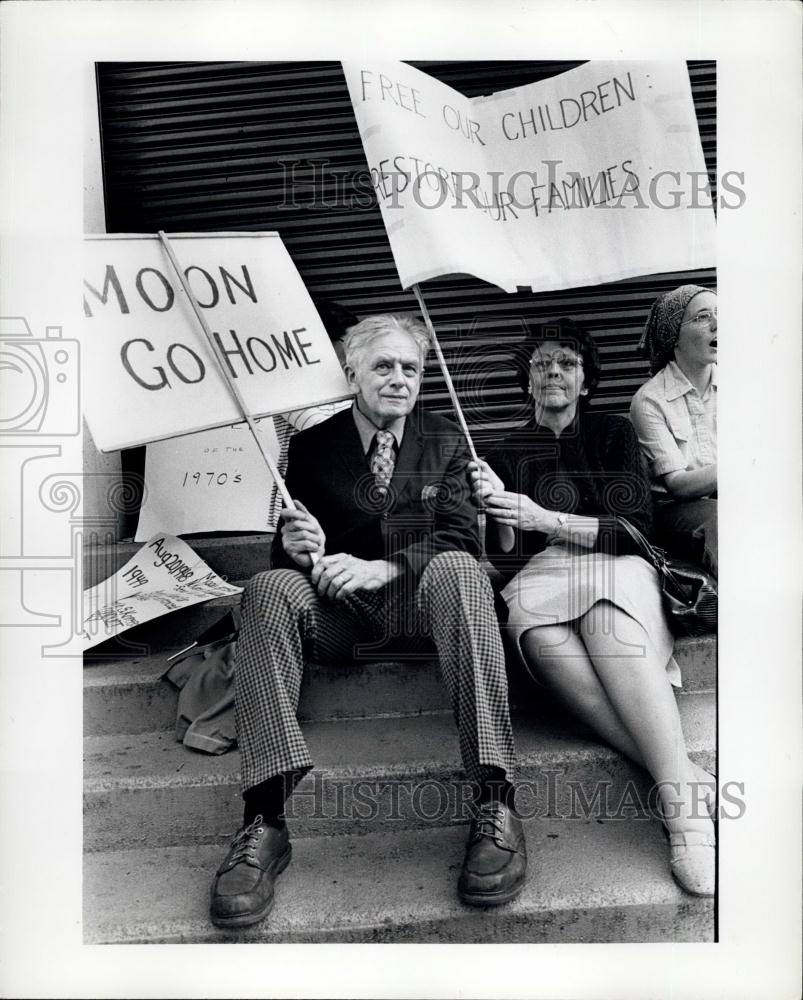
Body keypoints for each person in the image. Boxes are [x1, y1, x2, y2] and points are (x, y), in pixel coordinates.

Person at [209, 313, 527, 928]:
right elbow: (291, 561)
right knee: (268, 588)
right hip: (343, 621)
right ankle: (264, 818)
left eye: (410, 368)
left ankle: (496, 799)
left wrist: (384, 568)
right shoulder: (310, 446)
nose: (398, 379)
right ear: (351, 371)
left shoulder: (447, 440)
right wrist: (300, 551)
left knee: (462, 571)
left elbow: (460, 539)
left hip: (426, 609)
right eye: (383, 365)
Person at [470, 318, 715, 898]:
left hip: (615, 566)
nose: (553, 371)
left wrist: (545, 518)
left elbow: (635, 529)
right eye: (541, 364)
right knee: (542, 640)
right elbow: (506, 557)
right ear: (527, 382)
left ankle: (683, 820)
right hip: (541, 575)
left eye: (567, 364)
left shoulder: (611, 434)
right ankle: (679, 774)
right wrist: (488, 512)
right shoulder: (501, 450)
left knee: (605, 618)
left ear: (584, 382)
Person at [629, 286, 717, 576]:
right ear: (673, 335)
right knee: (722, 521)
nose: (718, 325)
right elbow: (678, 484)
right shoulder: (649, 399)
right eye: (703, 317)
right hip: (676, 509)